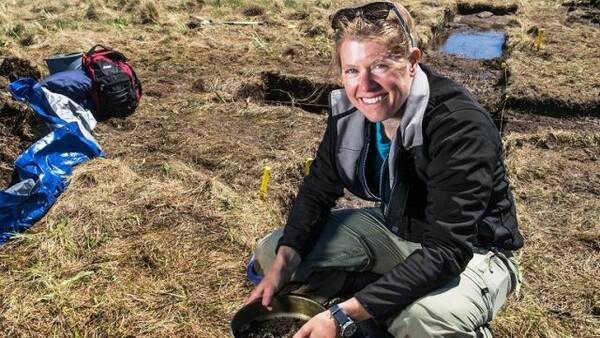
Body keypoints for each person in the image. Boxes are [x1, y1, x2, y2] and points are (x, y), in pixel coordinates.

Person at [245, 1, 524, 337]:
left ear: (412, 62)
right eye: (352, 70)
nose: (365, 86)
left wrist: (342, 315)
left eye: (379, 66)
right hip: (400, 228)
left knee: (420, 319)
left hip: (475, 249)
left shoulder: (459, 126)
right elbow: (318, 191)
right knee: (274, 252)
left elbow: (448, 250)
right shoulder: (350, 113)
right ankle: (384, 294)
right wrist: (282, 265)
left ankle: (424, 312)